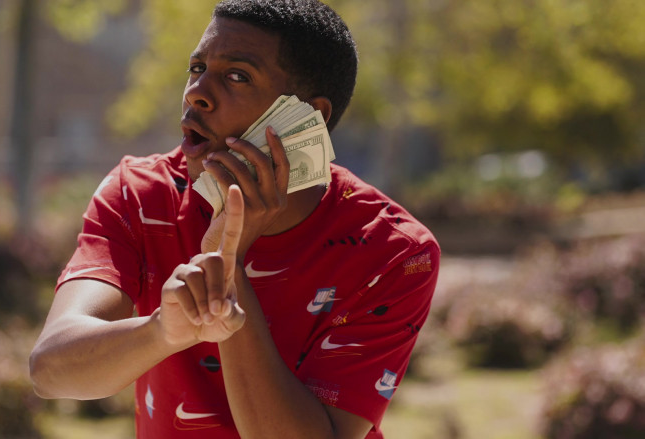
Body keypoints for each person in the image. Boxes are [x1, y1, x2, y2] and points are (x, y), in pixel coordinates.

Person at [29, 1, 440, 438]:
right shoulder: (140, 195)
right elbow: (50, 370)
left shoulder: (395, 253)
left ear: (307, 118)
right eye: (197, 67)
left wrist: (228, 268)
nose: (195, 92)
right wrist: (162, 330)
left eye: (237, 76)